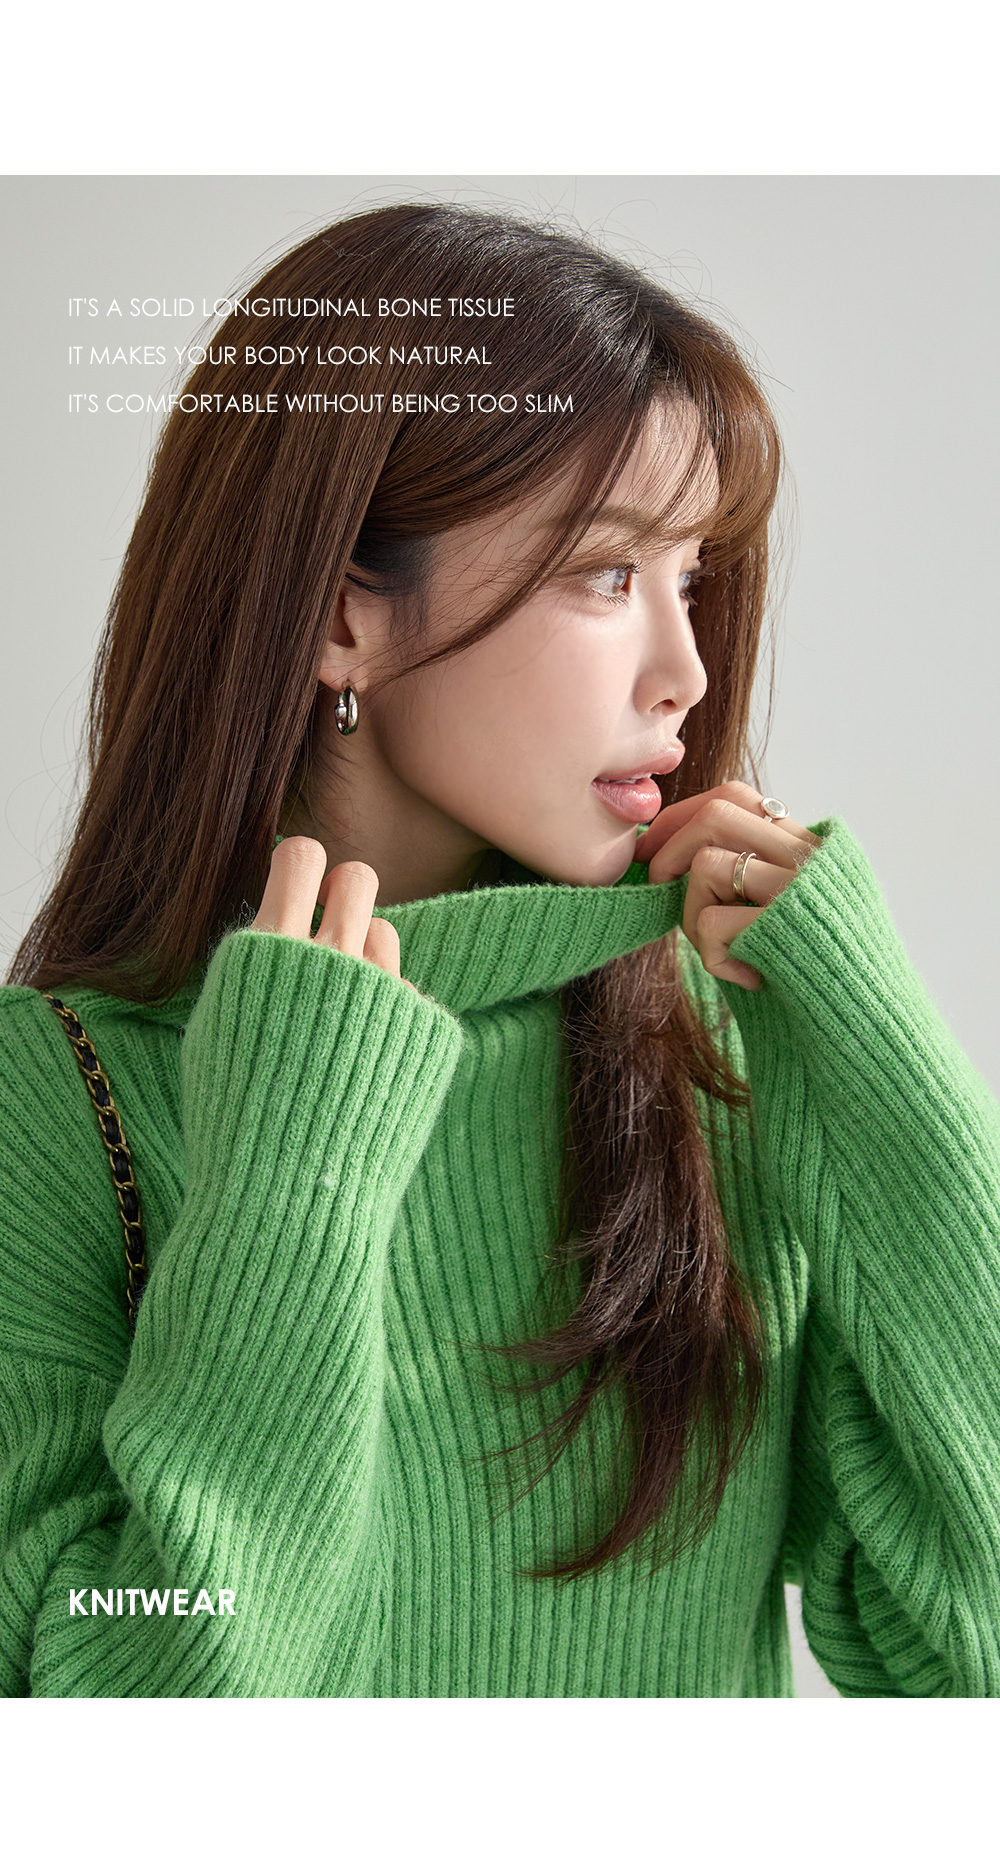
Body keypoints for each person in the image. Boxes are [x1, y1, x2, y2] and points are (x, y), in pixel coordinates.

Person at [1, 201, 998, 1698]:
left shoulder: (710, 1047)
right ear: (345, 615)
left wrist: (891, 1069)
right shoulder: (56, 1094)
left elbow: (966, 1654)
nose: (687, 669)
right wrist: (291, 1181)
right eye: (607, 575)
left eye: (692, 577)